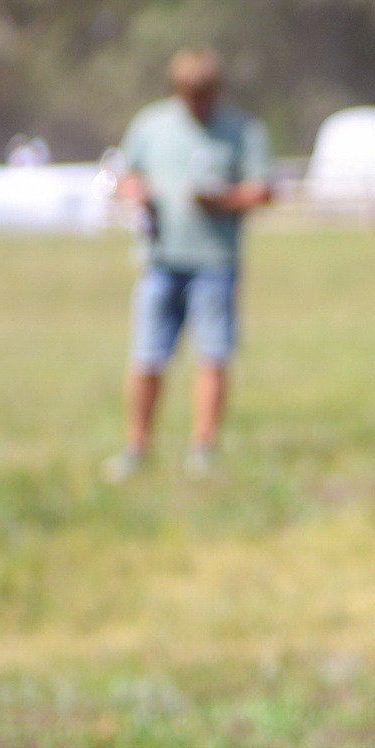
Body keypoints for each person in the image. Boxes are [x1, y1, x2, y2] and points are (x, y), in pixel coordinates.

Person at [105, 45, 273, 481]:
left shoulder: (242, 129)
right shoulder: (151, 124)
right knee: (146, 356)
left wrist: (225, 199)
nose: (196, 100)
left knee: (212, 355)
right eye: (188, 92)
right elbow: (126, 175)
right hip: (160, 259)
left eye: (203, 92)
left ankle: (204, 449)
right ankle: (136, 448)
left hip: (214, 261)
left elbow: (264, 189)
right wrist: (134, 191)